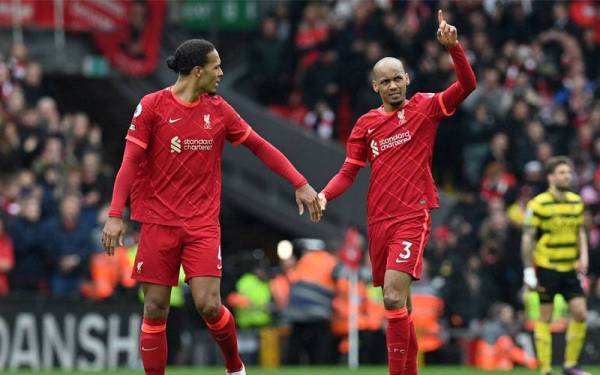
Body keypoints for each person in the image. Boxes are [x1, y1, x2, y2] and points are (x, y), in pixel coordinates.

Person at [101, 39, 322, 375]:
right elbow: (129, 162)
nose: (221, 73)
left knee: (209, 304)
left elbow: (260, 147)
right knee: (156, 308)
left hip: (201, 225)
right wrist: (116, 215)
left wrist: (300, 182)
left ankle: (235, 368)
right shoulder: (152, 106)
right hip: (158, 223)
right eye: (216, 66)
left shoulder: (218, 110)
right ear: (198, 71)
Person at [318, 11, 476, 375]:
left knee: (391, 297)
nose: (393, 86)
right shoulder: (366, 125)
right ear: (375, 87)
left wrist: (454, 49)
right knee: (399, 304)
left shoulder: (425, 108)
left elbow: (467, 85)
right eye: (385, 81)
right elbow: (349, 172)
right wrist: (325, 195)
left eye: (398, 79)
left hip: (412, 214)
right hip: (378, 220)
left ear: (407, 79)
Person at [522, 156, 590, 375]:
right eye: (562, 173)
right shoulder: (538, 204)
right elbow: (528, 238)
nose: (567, 176)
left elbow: (580, 231)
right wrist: (529, 270)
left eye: (569, 173)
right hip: (547, 267)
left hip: (570, 267)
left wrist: (584, 256)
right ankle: (546, 369)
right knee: (546, 317)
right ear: (551, 177)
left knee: (580, 313)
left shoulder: (576, 201)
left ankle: (570, 365)